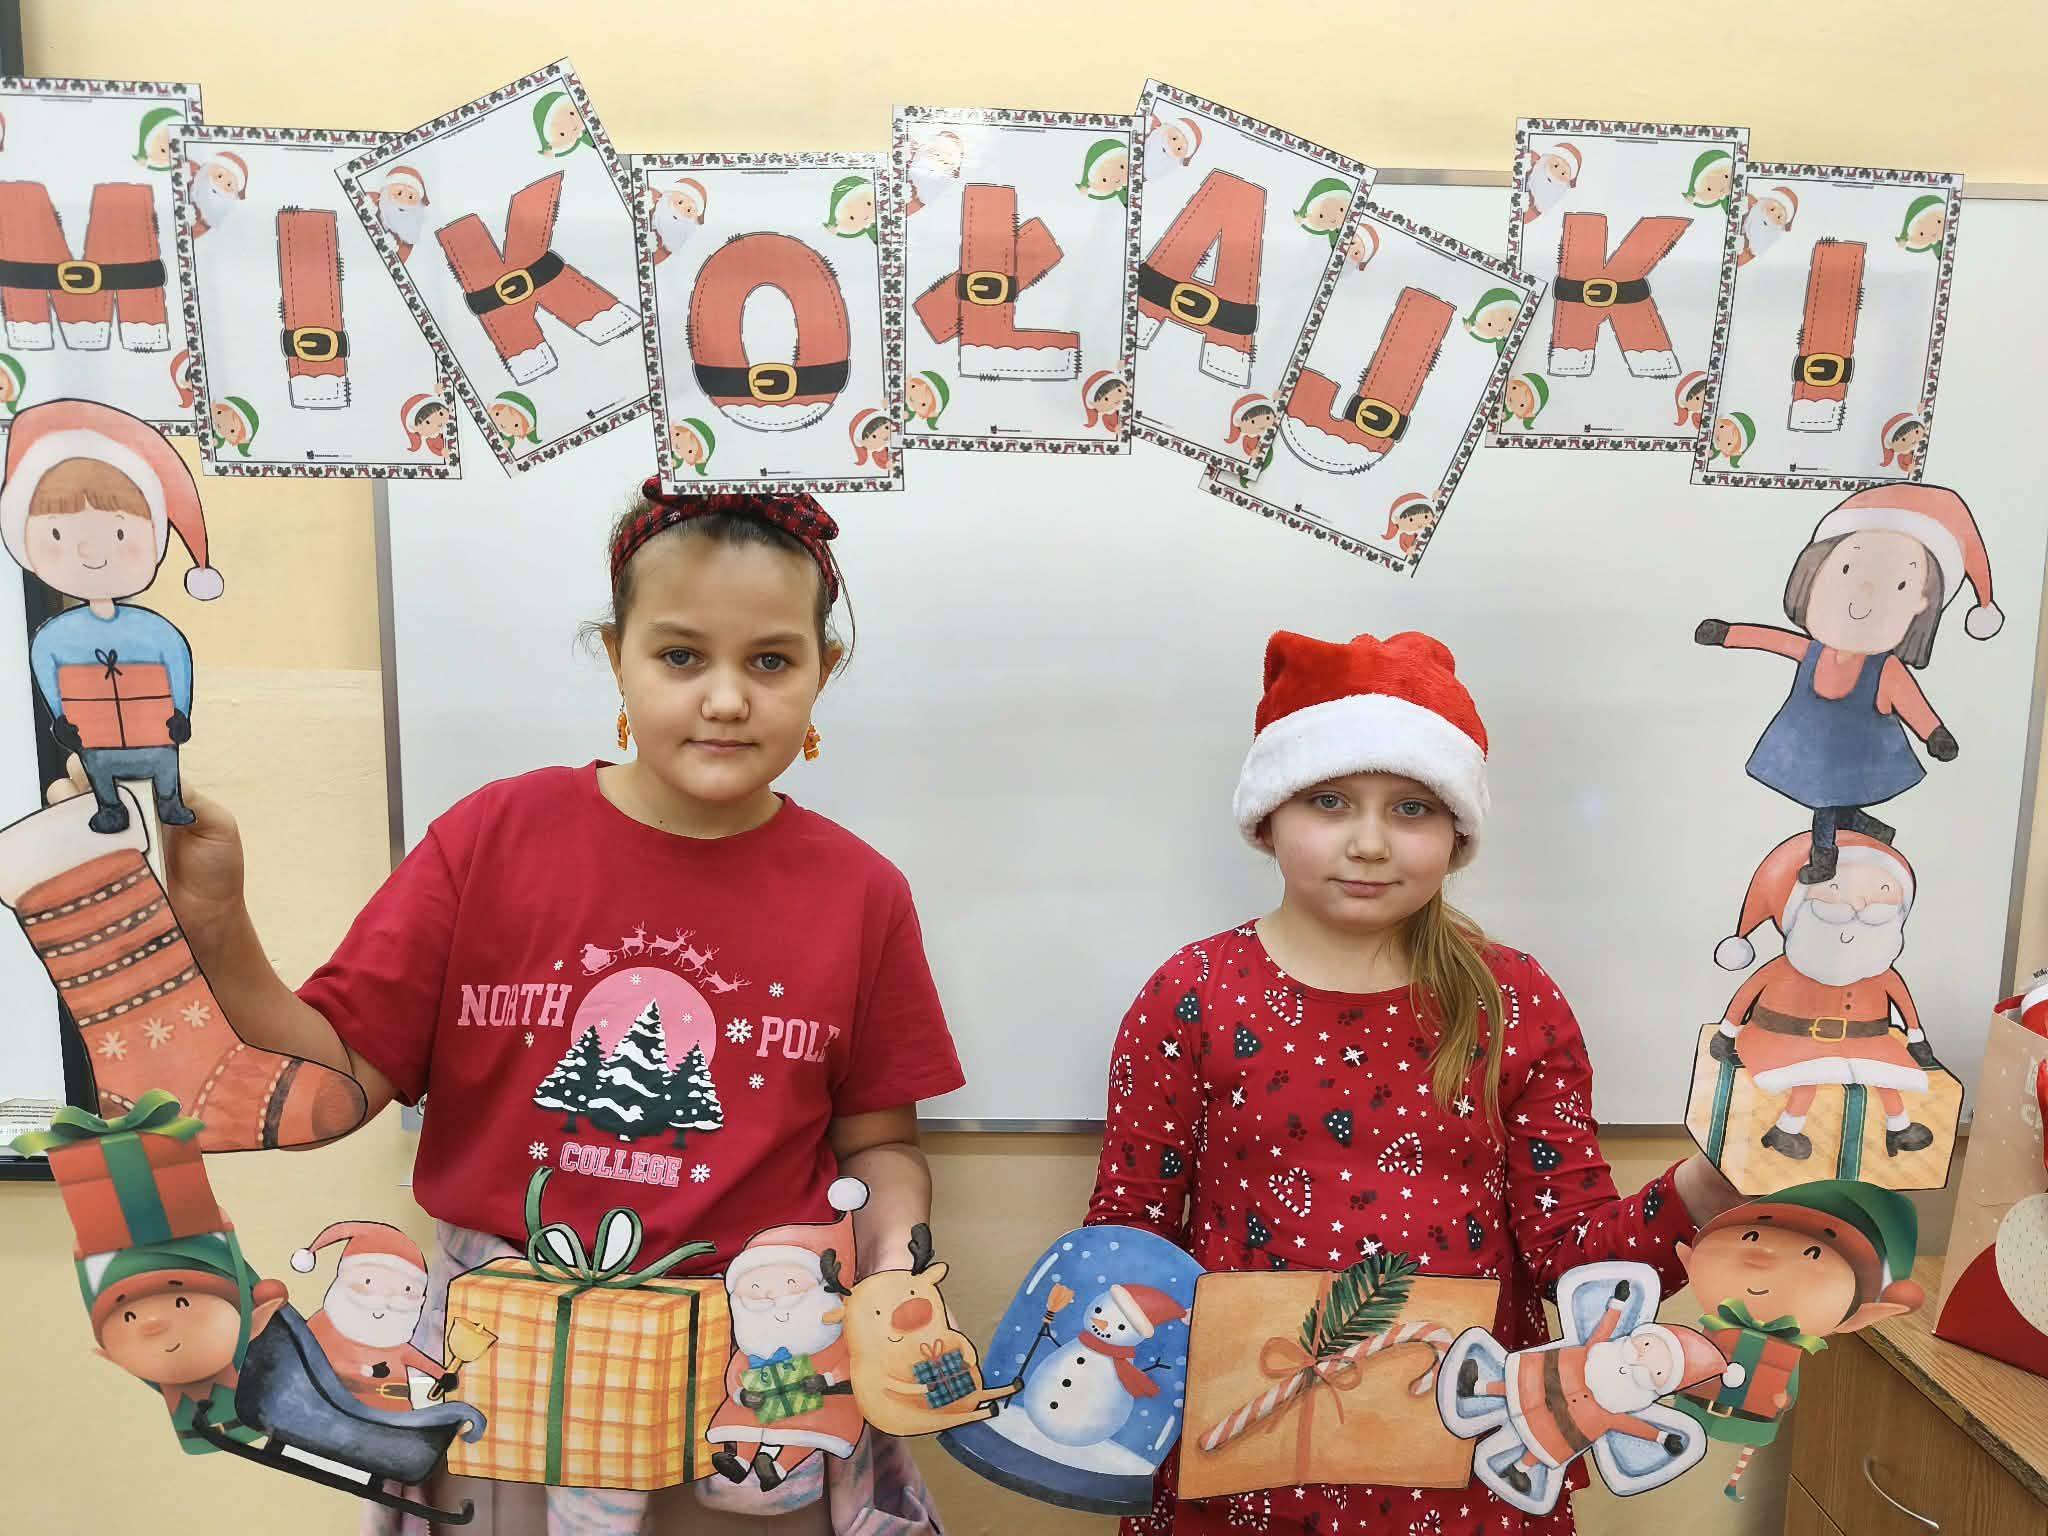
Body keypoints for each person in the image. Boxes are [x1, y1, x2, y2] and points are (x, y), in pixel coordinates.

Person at [154, 480, 965, 1533]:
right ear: (617, 656)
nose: (726, 699)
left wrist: (895, 1266)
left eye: (772, 660)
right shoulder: (492, 837)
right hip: (507, 1374)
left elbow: (880, 1145)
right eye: (681, 656)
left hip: (758, 1374)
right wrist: (214, 923)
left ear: (824, 668)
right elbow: (332, 1086)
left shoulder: (861, 892)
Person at [1088, 629, 1745, 1536]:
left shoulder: (1513, 1001)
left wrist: (1711, 1185)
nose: (1368, 843)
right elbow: (1126, 1246)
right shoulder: (1190, 996)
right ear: (1268, 815)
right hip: (1241, 1474)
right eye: (1328, 801)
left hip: (1467, 1474)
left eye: (1411, 809)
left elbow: (1575, 1262)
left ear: (1456, 831)